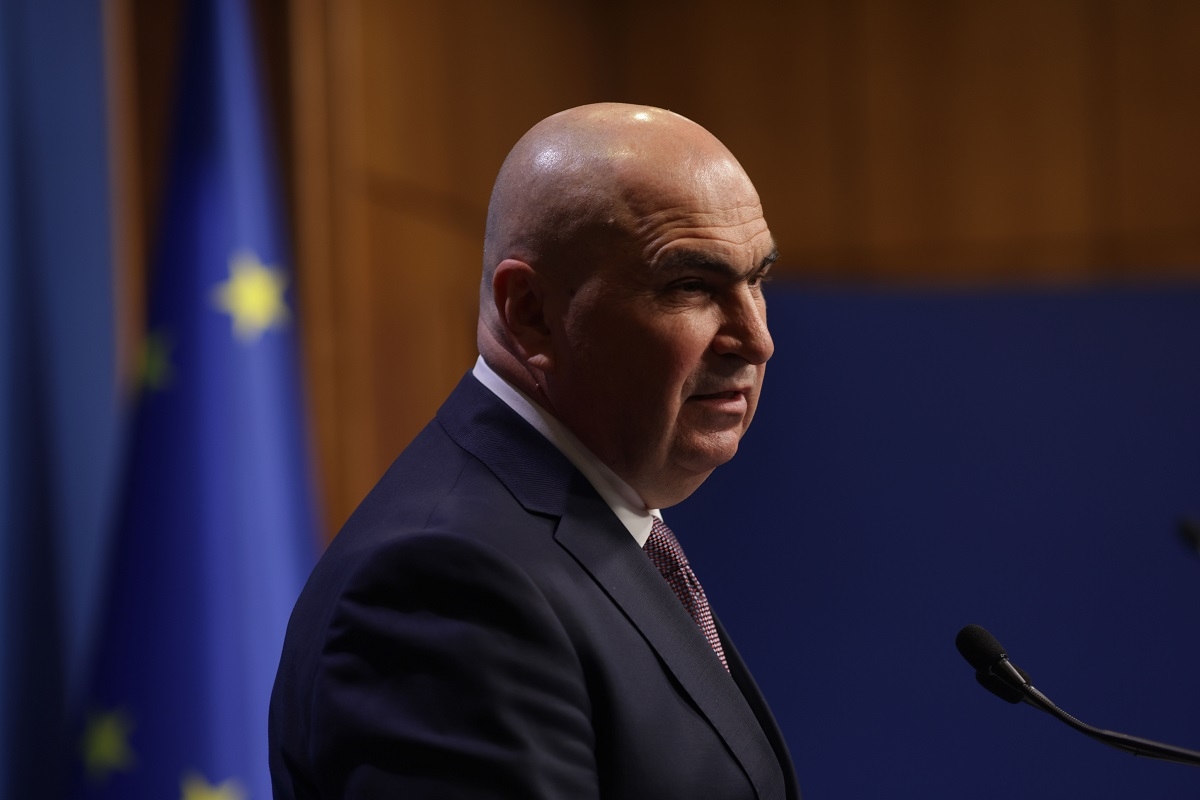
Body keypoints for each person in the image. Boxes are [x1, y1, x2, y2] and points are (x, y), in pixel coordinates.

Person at [269, 102, 799, 799]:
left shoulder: (589, 525)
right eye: (691, 286)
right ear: (530, 312)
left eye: (756, 280)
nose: (757, 340)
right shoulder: (444, 587)